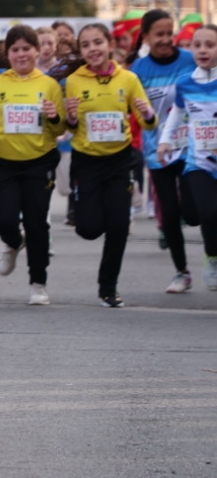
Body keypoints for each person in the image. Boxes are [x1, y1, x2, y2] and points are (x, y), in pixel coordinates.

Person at [0, 25, 66, 306]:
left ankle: (38, 283)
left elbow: (60, 127)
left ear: (36, 50)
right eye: (15, 49)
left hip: (39, 162)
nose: (21, 54)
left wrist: (54, 116)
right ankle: (13, 241)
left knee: (37, 224)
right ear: (7, 53)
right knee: (3, 219)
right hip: (4, 163)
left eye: (27, 48)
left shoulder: (48, 85)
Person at [65, 23, 157, 307]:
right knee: (88, 228)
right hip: (86, 161)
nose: (93, 49)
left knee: (118, 226)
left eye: (97, 42)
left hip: (119, 160)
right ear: (81, 51)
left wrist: (148, 113)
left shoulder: (128, 79)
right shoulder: (74, 81)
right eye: (86, 45)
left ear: (109, 44)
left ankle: (108, 287)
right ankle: (97, 210)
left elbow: (147, 122)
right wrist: (70, 118)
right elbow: (70, 126)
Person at [133, 9, 197, 293]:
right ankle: (182, 272)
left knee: (194, 214)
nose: (166, 39)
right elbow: (134, 112)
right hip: (157, 152)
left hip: (192, 149)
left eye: (169, 33)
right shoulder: (139, 70)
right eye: (159, 34)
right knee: (169, 215)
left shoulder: (189, 60)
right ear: (146, 37)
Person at [156, 24, 217, 288]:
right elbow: (177, 113)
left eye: (210, 45)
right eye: (197, 45)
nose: (202, 50)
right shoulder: (184, 83)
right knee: (208, 214)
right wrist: (165, 141)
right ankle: (212, 257)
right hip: (198, 163)